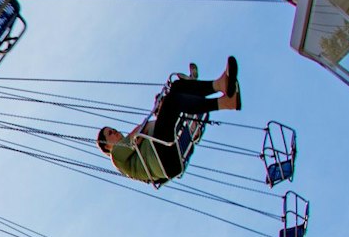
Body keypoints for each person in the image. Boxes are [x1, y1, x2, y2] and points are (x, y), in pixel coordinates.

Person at [97, 58, 242, 183]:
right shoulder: (116, 155)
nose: (115, 132)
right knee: (171, 101)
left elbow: (145, 132)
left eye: (113, 130)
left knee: (176, 88)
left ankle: (220, 85)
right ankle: (223, 102)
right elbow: (135, 137)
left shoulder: (136, 151)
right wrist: (157, 115)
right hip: (162, 158)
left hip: (167, 155)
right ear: (107, 146)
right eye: (110, 133)